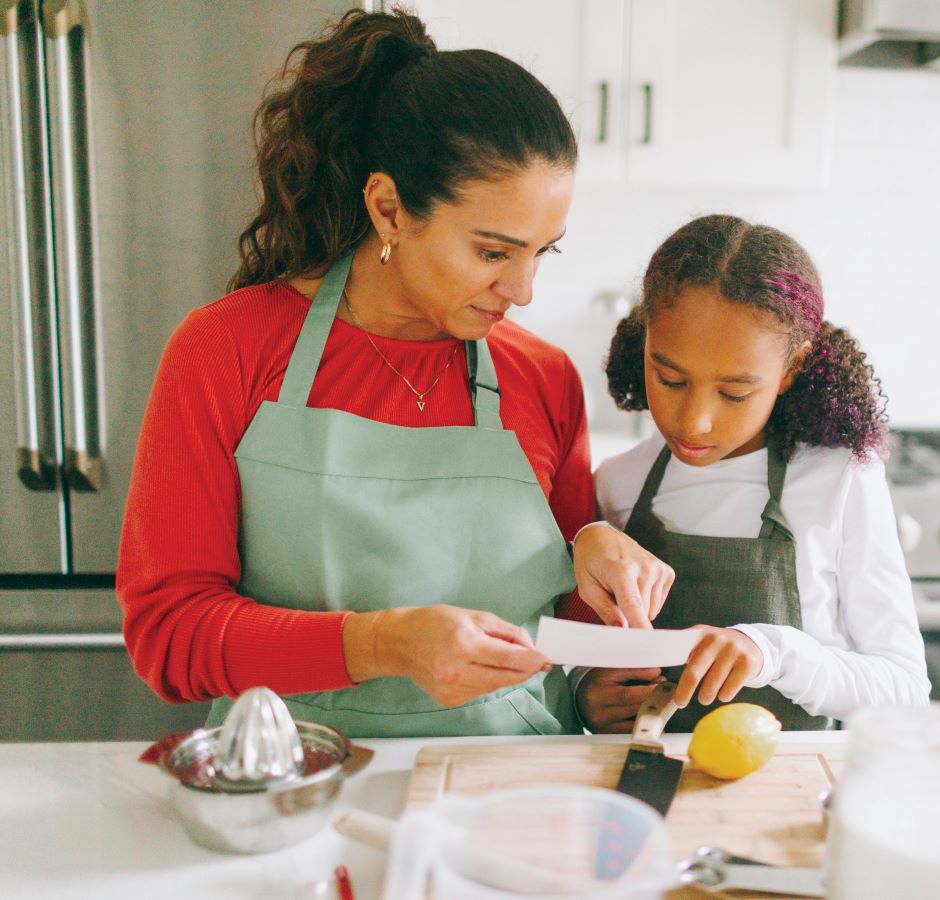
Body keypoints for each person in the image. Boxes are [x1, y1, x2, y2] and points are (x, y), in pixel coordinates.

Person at [117, 9, 670, 738]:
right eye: (493, 252)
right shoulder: (226, 350)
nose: (524, 290)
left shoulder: (543, 378)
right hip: (296, 779)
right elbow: (170, 635)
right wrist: (383, 645)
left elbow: (559, 645)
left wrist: (594, 574)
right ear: (388, 209)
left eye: (545, 252)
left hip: (507, 789)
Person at [571, 214, 931, 734]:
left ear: (791, 370)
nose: (694, 420)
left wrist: (773, 652)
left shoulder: (839, 479)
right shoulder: (618, 482)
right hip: (647, 785)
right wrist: (586, 690)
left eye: (735, 393)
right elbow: (585, 645)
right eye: (669, 379)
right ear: (644, 341)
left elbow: (905, 690)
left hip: (793, 792)